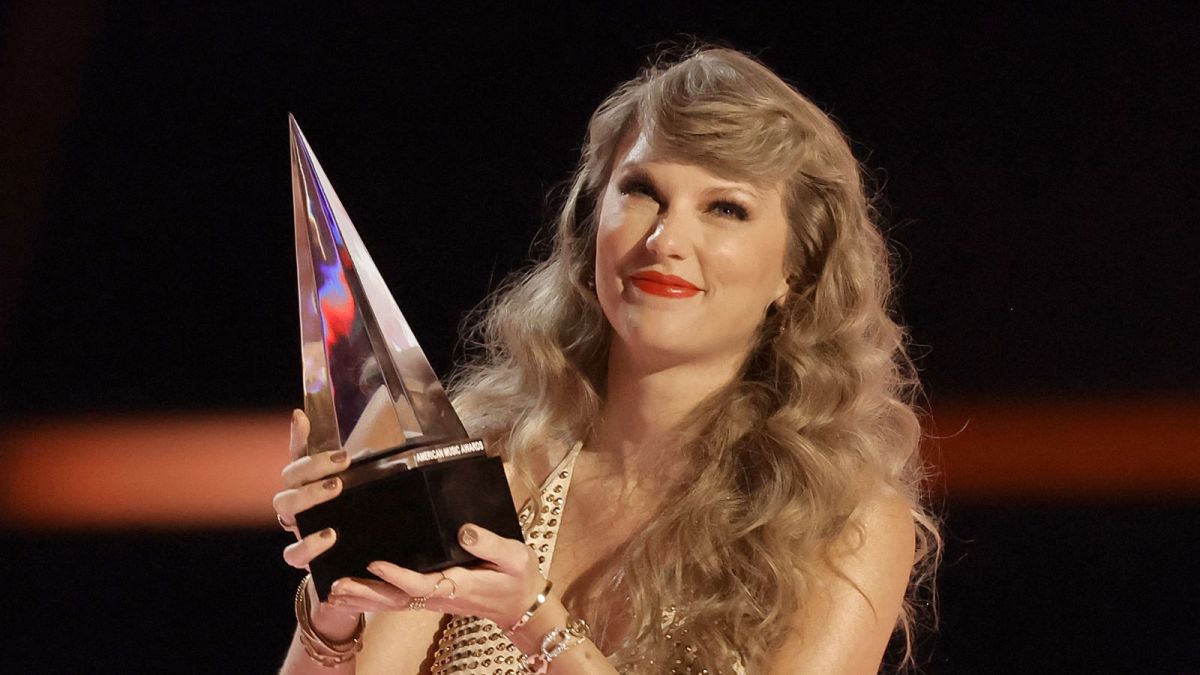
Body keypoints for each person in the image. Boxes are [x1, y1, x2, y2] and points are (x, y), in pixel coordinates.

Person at [273, 45, 941, 674]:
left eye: (725, 208)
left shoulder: (842, 521)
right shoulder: (461, 451)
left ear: (794, 271)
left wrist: (531, 617)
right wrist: (336, 612)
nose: (666, 237)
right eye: (642, 190)